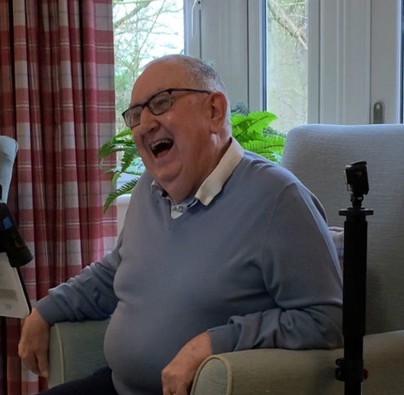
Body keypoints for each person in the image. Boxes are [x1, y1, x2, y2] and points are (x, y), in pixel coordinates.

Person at [18, 54, 343, 395]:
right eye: (136, 115)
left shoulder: (278, 199)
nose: (143, 125)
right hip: (117, 387)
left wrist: (212, 343)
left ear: (214, 111)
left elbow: (326, 320)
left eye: (161, 103)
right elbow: (116, 270)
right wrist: (46, 309)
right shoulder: (150, 187)